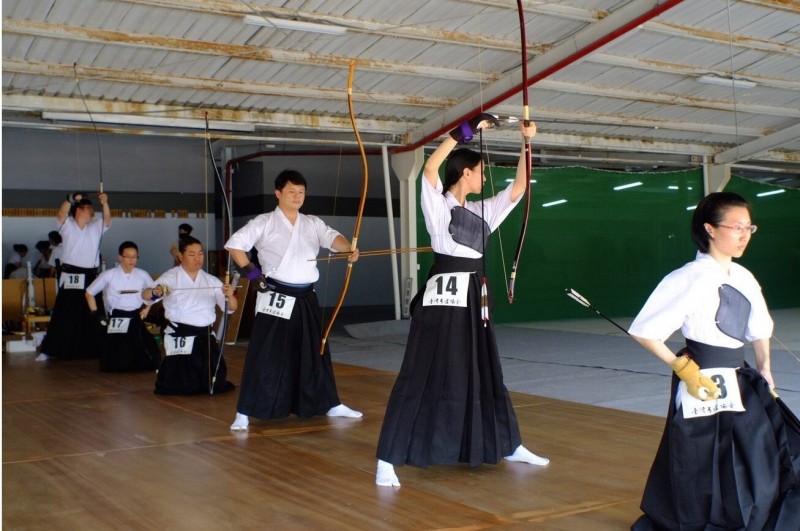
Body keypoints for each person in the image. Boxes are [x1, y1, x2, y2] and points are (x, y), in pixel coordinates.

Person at [375, 115, 549, 487]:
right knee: (419, 370)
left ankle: (509, 443)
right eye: (479, 172)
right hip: (441, 297)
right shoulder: (437, 204)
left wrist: (526, 142)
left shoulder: (482, 211)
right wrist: (466, 131)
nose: (483, 178)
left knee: (486, 369)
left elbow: (518, 189)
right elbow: (432, 166)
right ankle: (387, 458)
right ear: (465, 173)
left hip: (472, 295)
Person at [628, 192, 800, 530]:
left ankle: (752, 515)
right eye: (736, 227)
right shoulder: (688, 277)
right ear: (709, 228)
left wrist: (764, 368)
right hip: (702, 379)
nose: (744, 235)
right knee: (702, 458)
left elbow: (760, 327)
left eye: (749, 228)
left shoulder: (744, 276)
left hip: (740, 378)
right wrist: (681, 367)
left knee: (759, 451)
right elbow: (646, 330)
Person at [225, 169, 363, 431]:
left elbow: (333, 238)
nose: (297, 196)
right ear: (278, 194)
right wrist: (252, 274)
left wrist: (348, 249)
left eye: (301, 192)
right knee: (265, 354)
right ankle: (244, 411)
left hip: (305, 296)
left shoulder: (312, 222)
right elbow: (235, 246)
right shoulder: (264, 221)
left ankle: (330, 403)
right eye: (291, 191)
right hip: (274, 294)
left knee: (316, 351)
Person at [145, 236, 236, 395]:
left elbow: (230, 308)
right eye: (192, 254)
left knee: (215, 382)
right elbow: (146, 296)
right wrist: (154, 291)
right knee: (182, 383)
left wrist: (230, 295)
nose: (197, 258)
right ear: (181, 256)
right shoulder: (170, 277)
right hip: (181, 333)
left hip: (204, 336)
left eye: (200, 254)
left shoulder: (211, 280)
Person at [37, 192, 111, 361]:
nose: (92, 211)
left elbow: (107, 220)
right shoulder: (68, 226)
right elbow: (61, 215)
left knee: (94, 312)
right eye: (88, 208)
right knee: (65, 312)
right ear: (78, 210)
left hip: (90, 274)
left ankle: (99, 349)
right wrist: (70, 199)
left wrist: (105, 203)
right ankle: (49, 349)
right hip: (72, 274)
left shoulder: (95, 228)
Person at [85, 241, 160, 372]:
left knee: (148, 353)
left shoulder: (142, 274)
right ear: (120, 257)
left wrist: (147, 308)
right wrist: (95, 313)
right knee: (117, 354)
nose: (132, 260)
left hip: (135, 316)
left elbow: (155, 293)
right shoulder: (109, 274)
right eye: (128, 256)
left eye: (135, 256)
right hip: (117, 316)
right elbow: (89, 292)